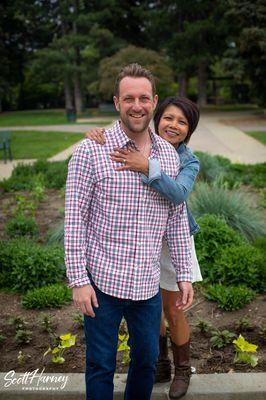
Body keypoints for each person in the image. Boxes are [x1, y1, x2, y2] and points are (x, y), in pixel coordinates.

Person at [64, 63, 194, 400]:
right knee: (101, 365)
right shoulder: (91, 150)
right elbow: (75, 220)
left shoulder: (168, 155)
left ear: (154, 102)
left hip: (148, 284)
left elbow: (176, 220)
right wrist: (78, 280)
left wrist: (183, 275)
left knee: (146, 363)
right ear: (117, 101)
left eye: (144, 98)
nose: (137, 105)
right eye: (129, 98)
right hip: (102, 284)